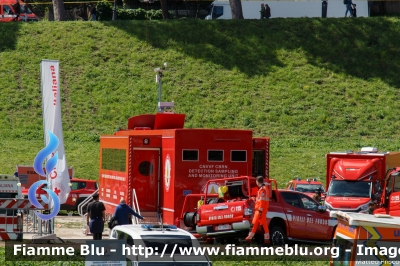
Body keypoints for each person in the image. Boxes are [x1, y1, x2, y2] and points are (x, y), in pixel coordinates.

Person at [245, 176, 271, 245]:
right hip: (260, 210)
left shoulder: (262, 190)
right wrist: (254, 199)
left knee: (259, 225)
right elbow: (261, 200)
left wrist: (260, 210)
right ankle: (249, 239)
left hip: (260, 210)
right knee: (257, 225)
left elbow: (262, 201)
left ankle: (266, 241)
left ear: (257, 182)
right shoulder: (264, 189)